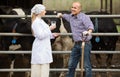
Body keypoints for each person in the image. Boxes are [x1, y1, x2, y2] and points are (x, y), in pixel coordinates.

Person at [57, 2, 94, 77]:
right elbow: (65, 16)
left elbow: (90, 27)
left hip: (85, 43)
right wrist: (60, 15)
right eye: (72, 7)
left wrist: (88, 32)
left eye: (75, 8)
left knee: (87, 65)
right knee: (71, 64)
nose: (72, 9)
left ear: (80, 9)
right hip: (76, 44)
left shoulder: (84, 17)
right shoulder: (71, 16)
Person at [31, 4, 59, 77]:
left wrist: (52, 35)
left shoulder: (41, 21)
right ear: (40, 12)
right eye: (44, 10)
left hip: (44, 46)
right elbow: (40, 35)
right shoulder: (36, 22)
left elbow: (44, 34)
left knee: (44, 68)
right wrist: (50, 28)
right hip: (40, 48)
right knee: (40, 69)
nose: (45, 12)